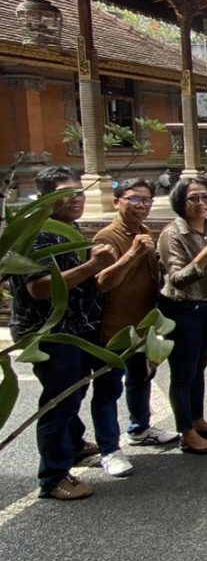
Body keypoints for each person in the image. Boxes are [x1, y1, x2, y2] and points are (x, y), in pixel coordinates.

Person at [8, 167, 118, 500]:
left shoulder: (69, 228)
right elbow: (40, 289)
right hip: (52, 332)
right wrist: (91, 266)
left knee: (73, 393)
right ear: (44, 199)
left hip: (78, 327)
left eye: (79, 192)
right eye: (66, 194)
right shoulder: (36, 235)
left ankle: (73, 443)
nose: (77, 199)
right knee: (59, 402)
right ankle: (53, 477)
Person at [93, 178, 175, 473]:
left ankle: (140, 429)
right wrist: (132, 254)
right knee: (108, 389)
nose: (142, 205)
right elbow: (102, 283)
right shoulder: (107, 236)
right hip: (114, 328)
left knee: (140, 379)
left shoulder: (143, 231)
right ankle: (109, 450)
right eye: (134, 199)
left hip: (142, 324)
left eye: (147, 200)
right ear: (117, 202)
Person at [156, 176, 207, 455]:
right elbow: (178, 279)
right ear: (181, 201)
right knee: (183, 372)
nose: (201, 203)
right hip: (183, 309)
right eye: (193, 198)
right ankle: (186, 432)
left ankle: (197, 420)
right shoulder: (172, 234)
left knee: (199, 368)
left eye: (206, 197)